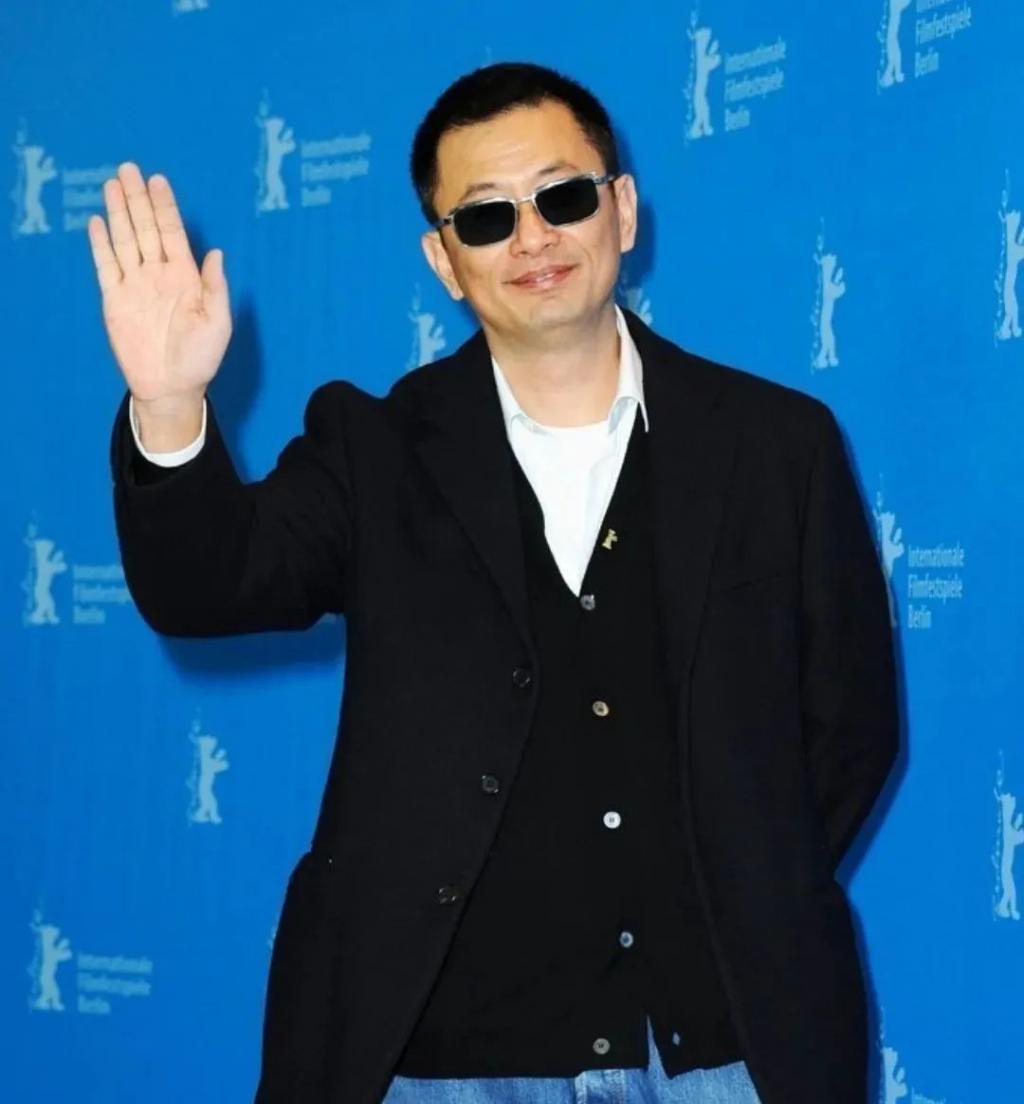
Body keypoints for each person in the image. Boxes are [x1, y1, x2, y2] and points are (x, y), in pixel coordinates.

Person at [87, 62, 899, 1104]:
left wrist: (741, 888)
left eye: (563, 198)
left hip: (727, 1058)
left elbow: (849, 726)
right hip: (437, 1062)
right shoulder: (372, 449)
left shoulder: (778, 446)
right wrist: (167, 405)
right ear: (444, 260)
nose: (532, 238)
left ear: (622, 209)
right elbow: (209, 586)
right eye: (486, 218)